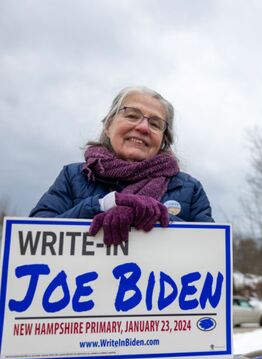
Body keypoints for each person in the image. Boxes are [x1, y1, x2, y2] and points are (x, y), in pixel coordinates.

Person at [30, 86, 214, 245]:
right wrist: (101, 205)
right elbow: (33, 236)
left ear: (163, 141)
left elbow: (211, 249)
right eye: (132, 116)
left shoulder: (191, 189)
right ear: (108, 126)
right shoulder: (72, 176)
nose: (143, 128)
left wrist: (157, 217)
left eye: (156, 124)